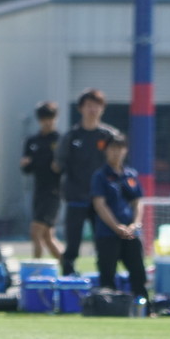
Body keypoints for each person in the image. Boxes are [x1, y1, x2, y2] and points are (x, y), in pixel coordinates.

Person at [52, 88, 117, 276]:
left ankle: (106, 280)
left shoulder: (109, 135)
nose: (92, 109)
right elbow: (58, 165)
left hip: (102, 201)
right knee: (72, 243)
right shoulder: (71, 136)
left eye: (97, 106)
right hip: (76, 197)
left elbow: (118, 167)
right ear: (81, 108)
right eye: (89, 105)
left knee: (104, 243)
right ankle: (68, 278)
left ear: (102, 109)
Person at [90, 134, 148, 301]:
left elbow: (137, 202)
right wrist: (116, 227)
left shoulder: (130, 175)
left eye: (120, 148)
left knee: (138, 273)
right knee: (107, 274)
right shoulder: (100, 176)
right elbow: (99, 205)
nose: (117, 152)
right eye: (113, 148)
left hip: (130, 233)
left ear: (126, 150)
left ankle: (143, 308)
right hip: (108, 233)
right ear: (106, 150)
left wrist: (135, 224)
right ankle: (109, 308)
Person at [20, 101, 63, 260]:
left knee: (35, 231)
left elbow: (67, 166)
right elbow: (27, 169)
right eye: (44, 119)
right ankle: (68, 266)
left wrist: (59, 167)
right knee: (47, 237)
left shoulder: (60, 140)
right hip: (38, 190)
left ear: (56, 118)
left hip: (53, 191)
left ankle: (36, 267)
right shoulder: (32, 141)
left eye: (51, 118)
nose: (48, 122)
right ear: (39, 120)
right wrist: (25, 164)